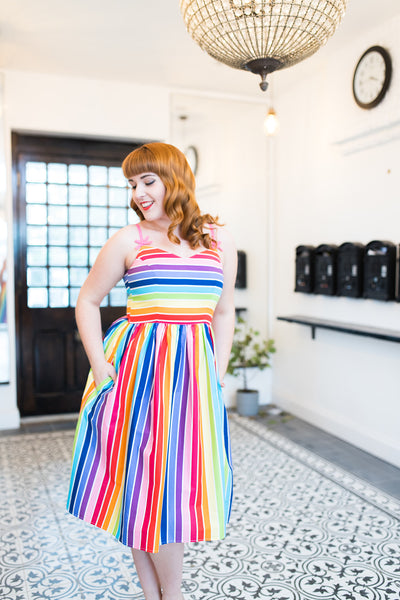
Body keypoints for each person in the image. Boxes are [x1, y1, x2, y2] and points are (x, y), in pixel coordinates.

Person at [66, 142, 237, 600]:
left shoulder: (219, 242)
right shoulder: (130, 239)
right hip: (136, 379)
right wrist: (102, 371)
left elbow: (224, 313)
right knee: (144, 492)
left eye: (147, 181)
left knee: (170, 492)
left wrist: (216, 376)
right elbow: (87, 300)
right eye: (132, 184)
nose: (138, 193)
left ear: (174, 178)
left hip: (193, 385)